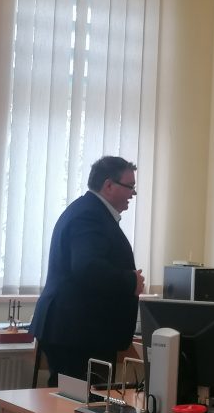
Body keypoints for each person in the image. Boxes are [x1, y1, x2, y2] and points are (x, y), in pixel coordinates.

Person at [29, 156, 145, 387]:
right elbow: (87, 267)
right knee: (78, 404)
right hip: (79, 333)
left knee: (78, 401)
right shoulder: (89, 216)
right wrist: (130, 281)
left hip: (80, 331)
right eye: (130, 186)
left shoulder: (89, 211)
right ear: (109, 185)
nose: (133, 193)